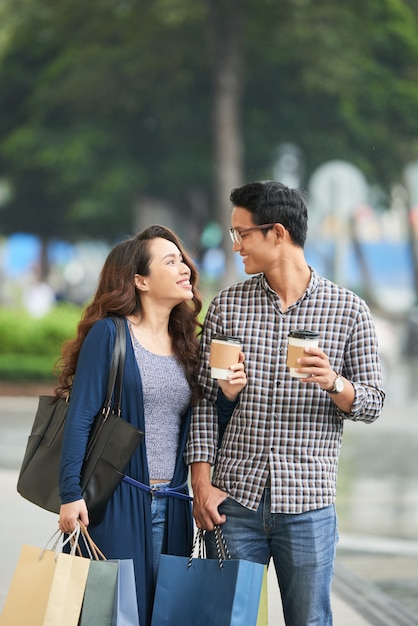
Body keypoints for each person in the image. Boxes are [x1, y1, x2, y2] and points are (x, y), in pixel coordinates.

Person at [185, 181, 385, 626]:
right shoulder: (229, 306)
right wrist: (201, 482)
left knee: (310, 621)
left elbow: (372, 402)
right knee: (227, 619)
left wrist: (335, 382)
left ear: (277, 233)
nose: (235, 245)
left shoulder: (348, 310)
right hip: (234, 499)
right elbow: (202, 398)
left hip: (309, 501)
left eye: (243, 234)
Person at [57, 225, 202, 626]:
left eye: (183, 260)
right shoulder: (110, 335)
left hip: (174, 504)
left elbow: (198, 428)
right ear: (140, 281)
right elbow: (81, 416)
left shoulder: (186, 344)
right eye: (169, 261)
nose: (184, 268)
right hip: (116, 503)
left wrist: (226, 395)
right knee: (114, 617)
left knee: (164, 616)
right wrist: (70, 494)